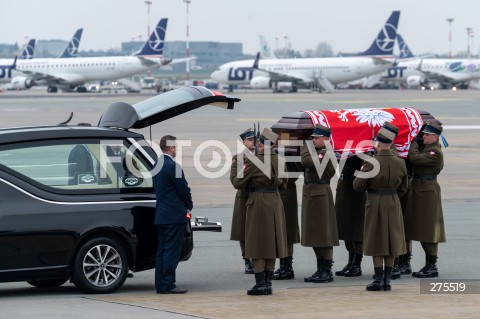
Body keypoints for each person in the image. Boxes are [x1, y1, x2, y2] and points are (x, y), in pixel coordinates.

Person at [232, 128, 288, 296]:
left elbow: (237, 182)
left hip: (258, 203)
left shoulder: (255, 161)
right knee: (272, 243)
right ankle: (268, 283)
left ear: (261, 144)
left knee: (256, 243)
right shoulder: (281, 160)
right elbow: (284, 184)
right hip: (275, 202)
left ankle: (259, 284)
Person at [353, 126, 408, 291]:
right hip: (393, 202)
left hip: (375, 202)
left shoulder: (371, 162)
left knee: (377, 239)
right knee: (391, 240)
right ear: (391, 143)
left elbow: (357, 186)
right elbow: (404, 187)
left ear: (378, 142)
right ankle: (387, 280)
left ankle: (378, 279)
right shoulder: (400, 162)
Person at [404, 122, 445, 278]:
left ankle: (432, 266)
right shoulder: (426, 148)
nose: (424, 136)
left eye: (427, 135)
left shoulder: (435, 152)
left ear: (435, 137)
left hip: (427, 191)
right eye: (423, 134)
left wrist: (413, 142)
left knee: (428, 230)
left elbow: (414, 158)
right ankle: (424, 264)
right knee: (419, 228)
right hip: (418, 188)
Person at [153, 135, 193, 294]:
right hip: (174, 215)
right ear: (170, 148)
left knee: (162, 251)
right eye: (175, 146)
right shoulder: (173, 166)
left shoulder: (156, 164)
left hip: (161, 214)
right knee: (171, 251)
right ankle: (168, 283)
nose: (176, 149)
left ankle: (160, 284)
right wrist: (189, 204)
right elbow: (183, 189)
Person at [301, 124, 339, 283]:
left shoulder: (326, 153)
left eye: (316, 138)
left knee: (324, 235)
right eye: (312, 138)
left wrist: (305, 144)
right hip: (312, 194)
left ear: (325, 139)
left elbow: (306, 161)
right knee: (314, 235)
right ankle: (320, 269)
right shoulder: (318, 151)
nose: (313, 140)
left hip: (321, 196)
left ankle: (326, 271)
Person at [335, 155, 366, 277]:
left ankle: (357, 264)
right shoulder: (344, 151)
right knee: (346, 228)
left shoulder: (361, 153)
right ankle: (350, 262)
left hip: (356, 194)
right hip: (344, 190)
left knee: (356, 231)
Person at [230, 128, 255, 274]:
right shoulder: (238, 159)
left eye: (254, 139)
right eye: (250, 140)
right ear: (244, 142)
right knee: (243, 230)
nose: (253, 142)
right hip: (244, 196)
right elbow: (235, 180)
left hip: (257, 196)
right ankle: (247, 259)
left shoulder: (262, 157)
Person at [273, 160, 300, 280]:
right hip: (276, 193)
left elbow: (293, 175)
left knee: (287, 230)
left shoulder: (291, 155)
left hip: (286, 193)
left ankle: (287, 267)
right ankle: (283, 265)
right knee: (279, 231)